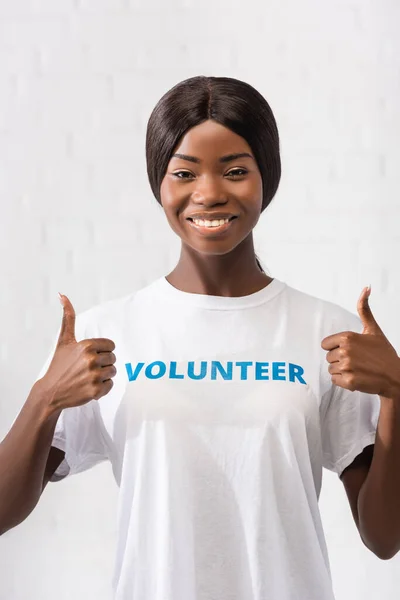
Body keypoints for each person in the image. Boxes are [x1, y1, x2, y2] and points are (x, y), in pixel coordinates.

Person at [1, 75, 400, 600]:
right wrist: (44, 397)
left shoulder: (328, 335)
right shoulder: (107, 333)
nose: (209, 193)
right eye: (184, 173)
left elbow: (384, 537)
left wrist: (397, 392)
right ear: (159, 185)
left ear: (266, 180)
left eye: (235, 171)